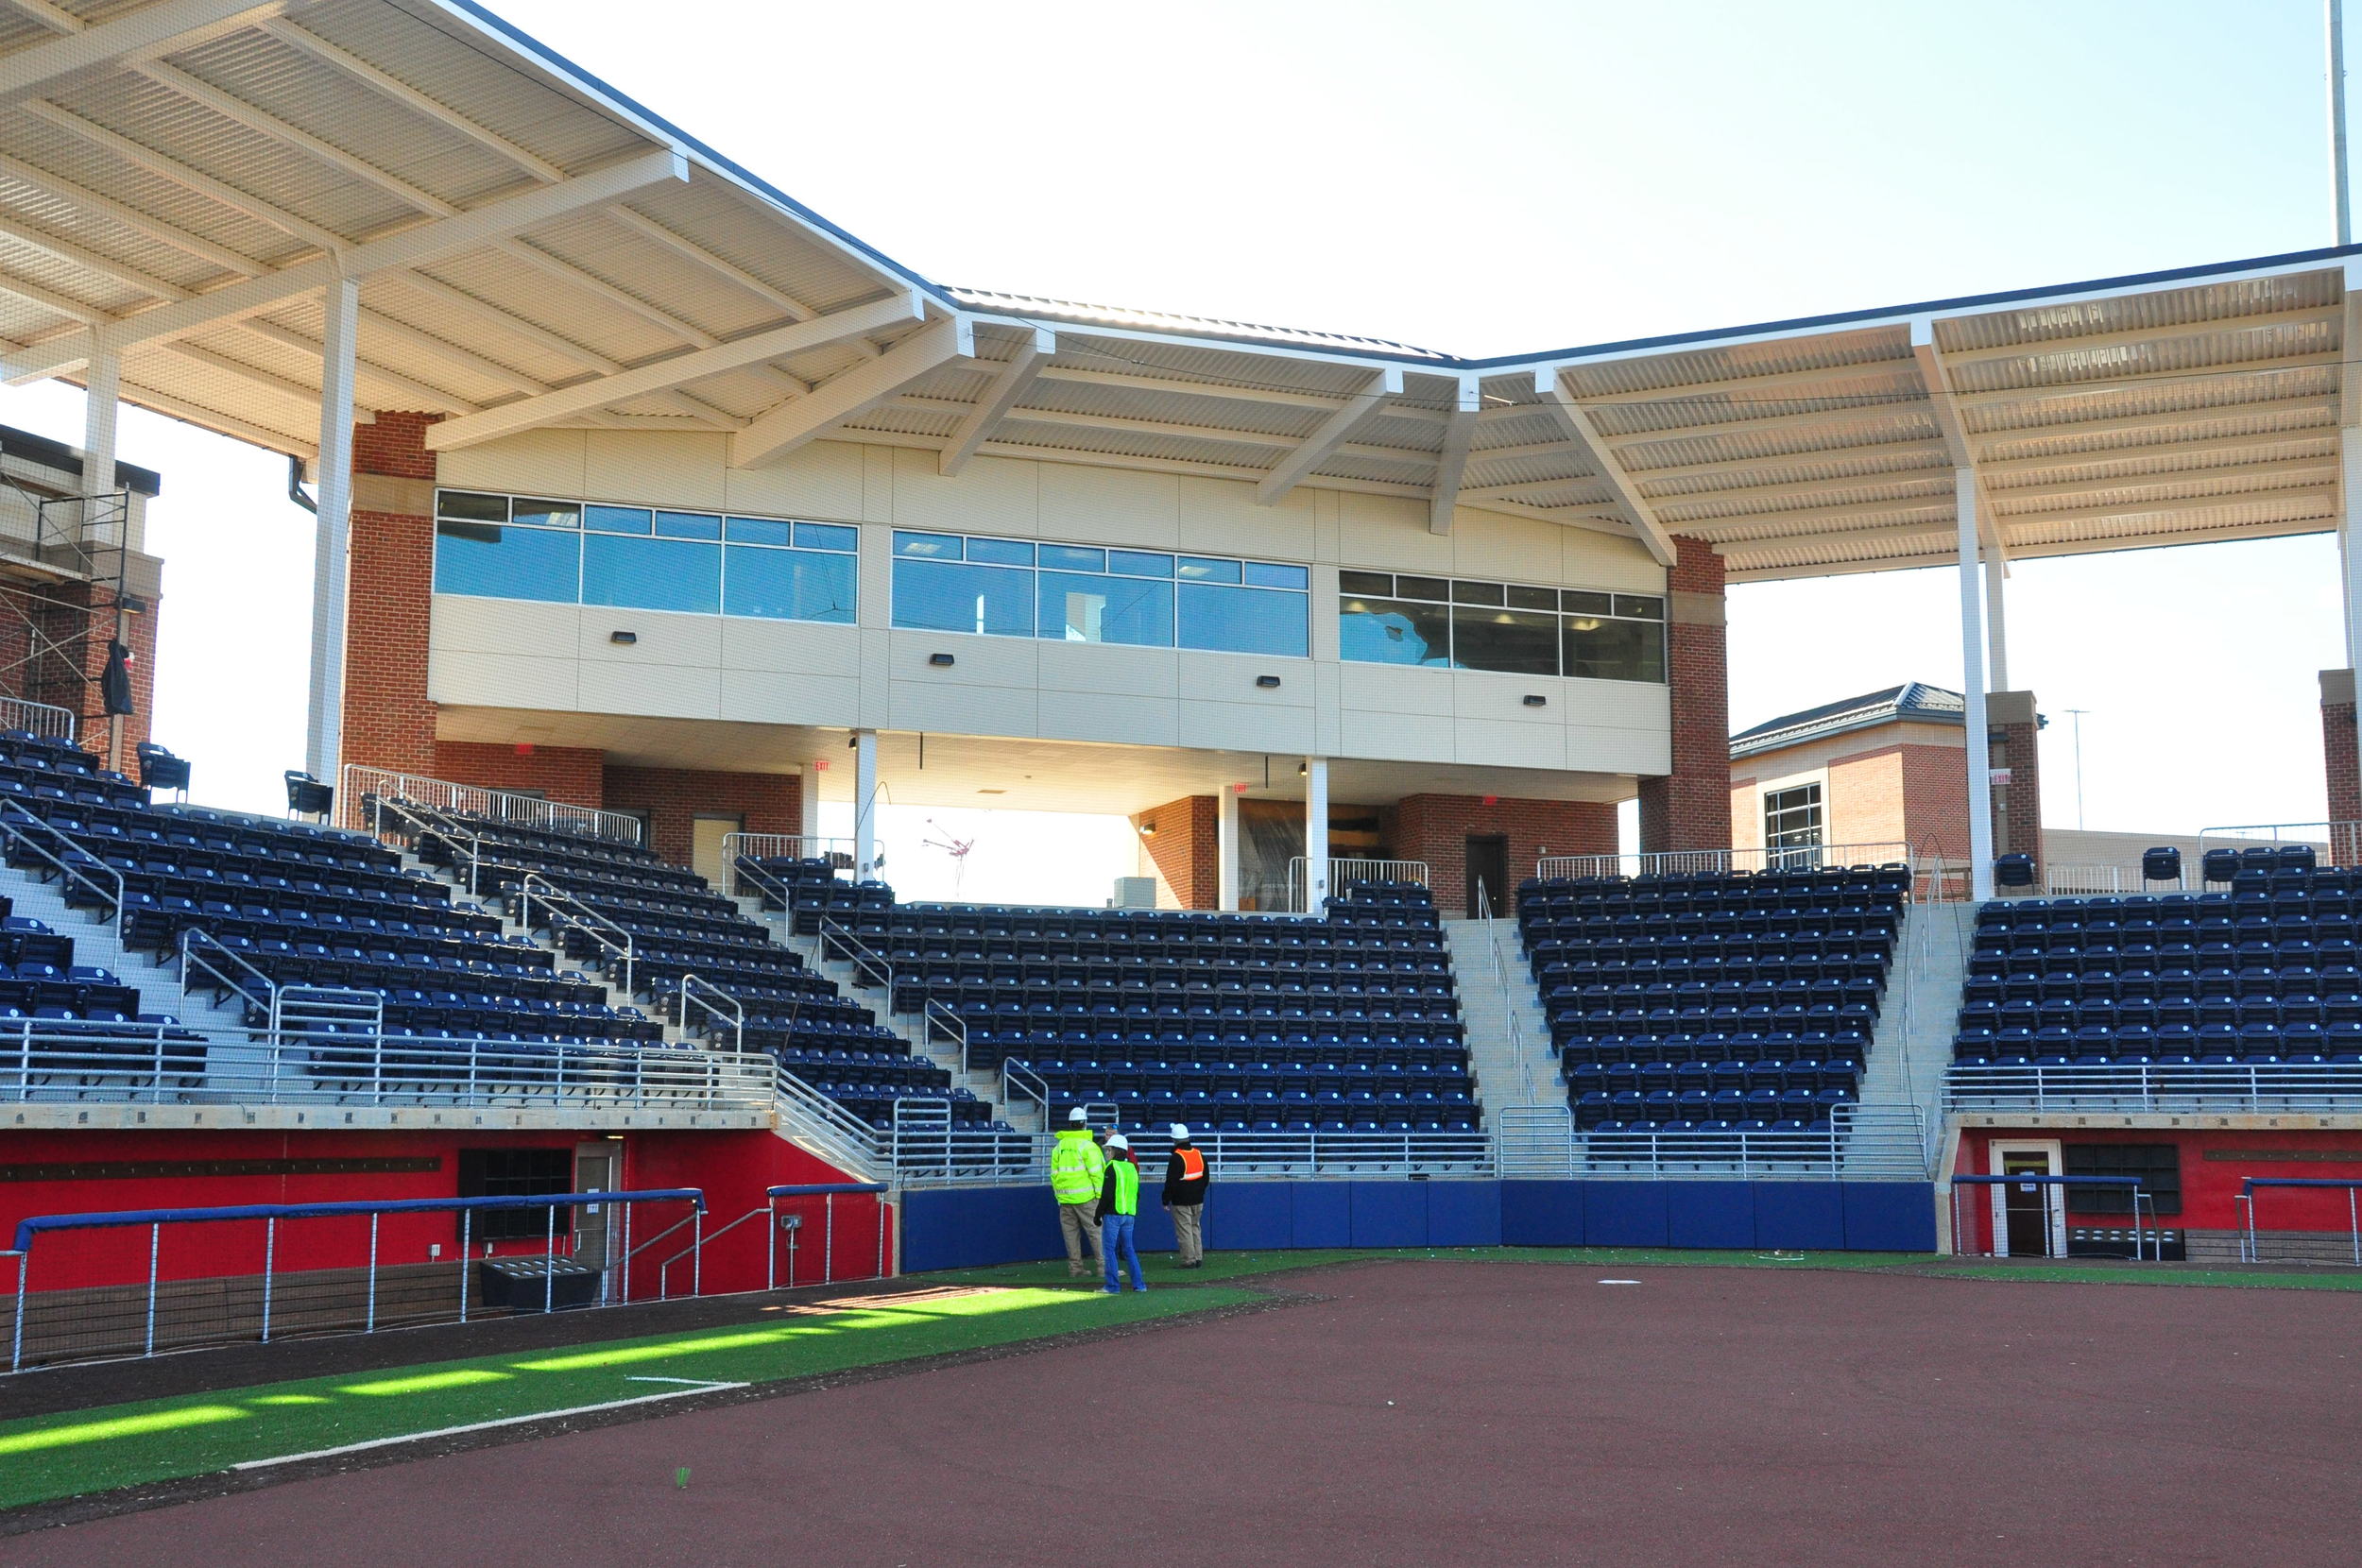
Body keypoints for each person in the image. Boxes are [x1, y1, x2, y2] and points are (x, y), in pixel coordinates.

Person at [1050, 1106, 1105, 1278]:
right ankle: (1104, 1268)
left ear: (1070, 1123)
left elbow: (1054, 1175)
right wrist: (1100, 1198)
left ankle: (1076, 1269)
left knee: (1070, 1235)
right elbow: (1097, 1174)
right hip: (1087, 1198)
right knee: (1096, 1233)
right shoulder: (1088, 1146)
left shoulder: (1059, 1147)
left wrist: (1059, 1196)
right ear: (1085, 1124)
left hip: (1065, 1199)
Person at [1097, 1132, 1145, 1294]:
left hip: (1113, 1214)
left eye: (1109, 1150)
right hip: (1129, 1214)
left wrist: (1098, 1214)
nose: (1107, 1153)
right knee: (1129, 1249)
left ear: (1115, 1151)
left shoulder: (1112, 1168)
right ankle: (1139, 1285)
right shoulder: (1131, 1167)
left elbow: (1107, 1194)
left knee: (1109, 1250)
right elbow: (1137, 1193)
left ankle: (1112, 1286)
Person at [1162, 1122, 1209, 1269]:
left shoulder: (1176, 1157)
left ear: (1174, 1140)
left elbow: (1171, 1182)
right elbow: (1206, 1177)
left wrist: (1165, 1200)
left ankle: (1189, 1260)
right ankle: (1198, 1257)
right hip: (1198, 1200)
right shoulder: (1198, 1154)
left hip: (1181, 1201)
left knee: (1185, 1230)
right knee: (1195, 1227)